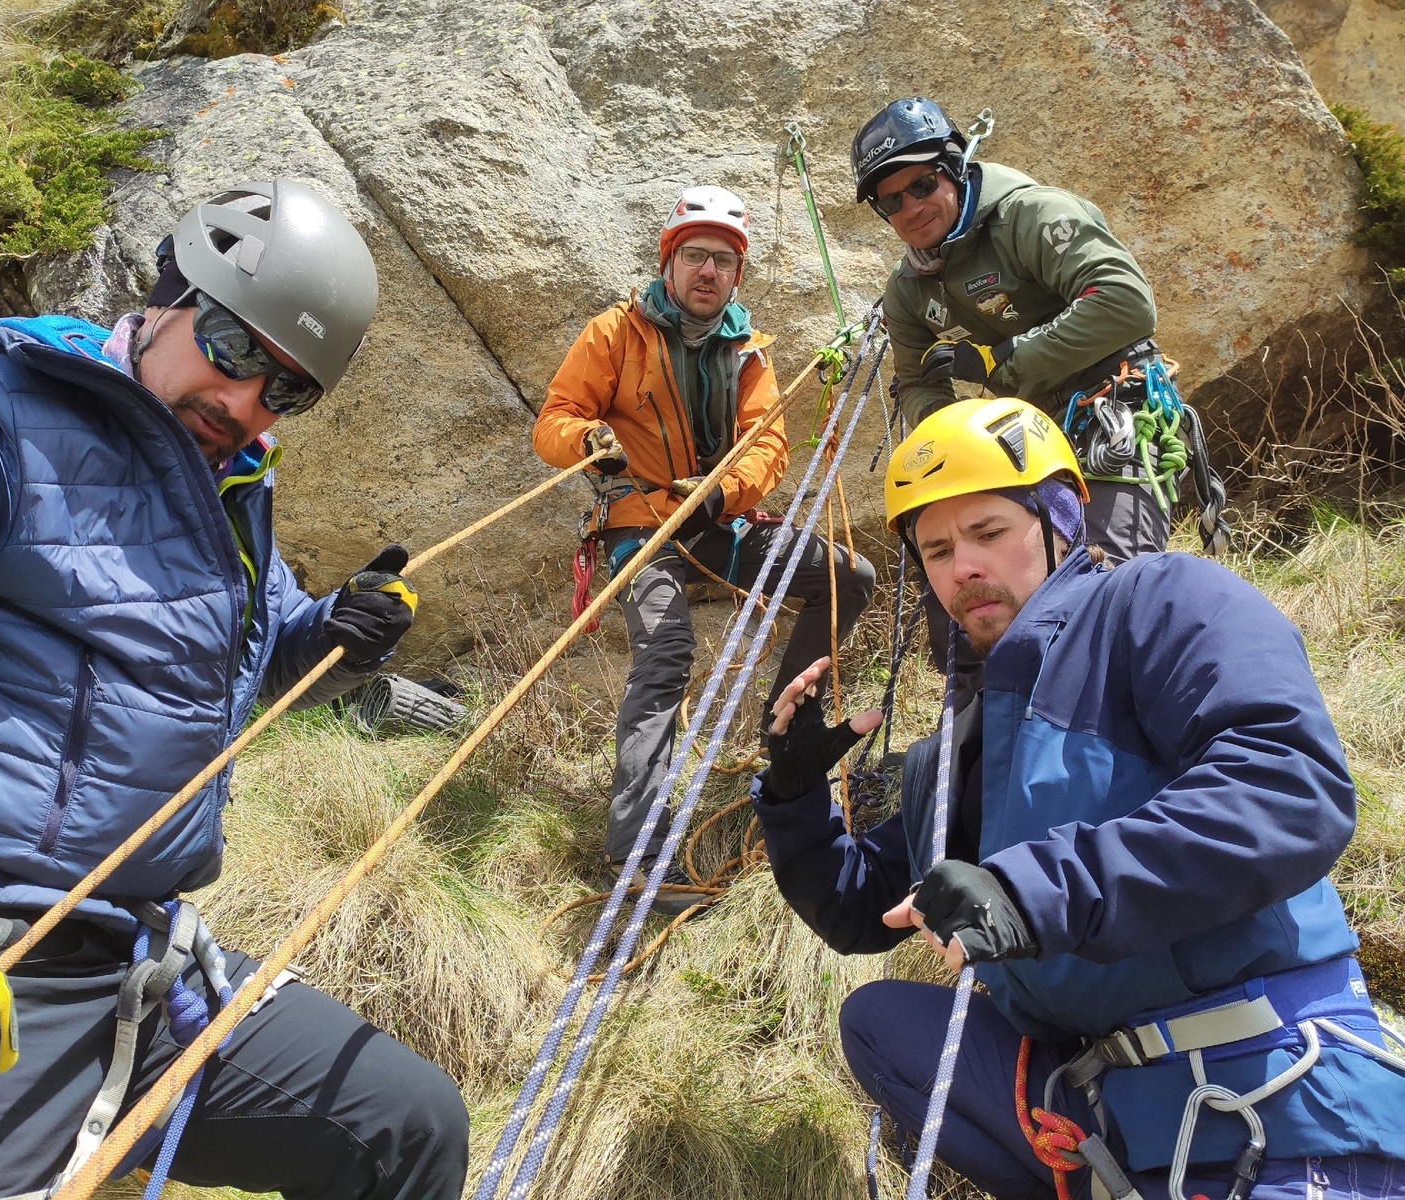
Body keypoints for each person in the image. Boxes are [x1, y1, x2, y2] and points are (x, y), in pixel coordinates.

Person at [0, 180, 468, 1199]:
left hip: (139, 959)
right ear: (169, 293)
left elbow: (226, 664)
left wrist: (327, 635)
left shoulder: (228, 479)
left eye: (284, 391)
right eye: (238, 349)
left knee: (404, 1128)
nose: (245, 403)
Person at [752, 396, 1405, 1200]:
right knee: (883, 1024)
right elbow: (859, 909)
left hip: (1280, 1103)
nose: (963, 568)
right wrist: (791, 793)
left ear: (1060, 519)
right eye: (937, 550)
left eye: (989, 533)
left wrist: (1032, 891)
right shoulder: (954, 755)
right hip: (1115, 1126)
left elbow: (1289, 785)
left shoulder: (1159, 602)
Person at [534, 184, 875, 913]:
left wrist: (720, 498)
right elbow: (555, 420)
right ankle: (636, 849)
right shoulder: (615, 333)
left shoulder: (749, 351)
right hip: (635, 522)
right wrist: (588, 443)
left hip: (715, 518)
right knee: (665, 651)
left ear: (738, 275)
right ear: (669, 261)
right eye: (694, 256)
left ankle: (781, 737)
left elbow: (769, 444)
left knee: (851, 577)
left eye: (723, 260)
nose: (708, 272)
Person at [851, 96, 1228, 565]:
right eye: (891, 200)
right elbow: (917, 384)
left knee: (1107, 571)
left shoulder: (1031, 215)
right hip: (1023, 440)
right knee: (995, 583)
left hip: (1116, 404)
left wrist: (1004, 362)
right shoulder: (907, 291)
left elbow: (1124, 302)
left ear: (955, 169)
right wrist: (959, 450)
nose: (911, 207)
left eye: (924, 184)